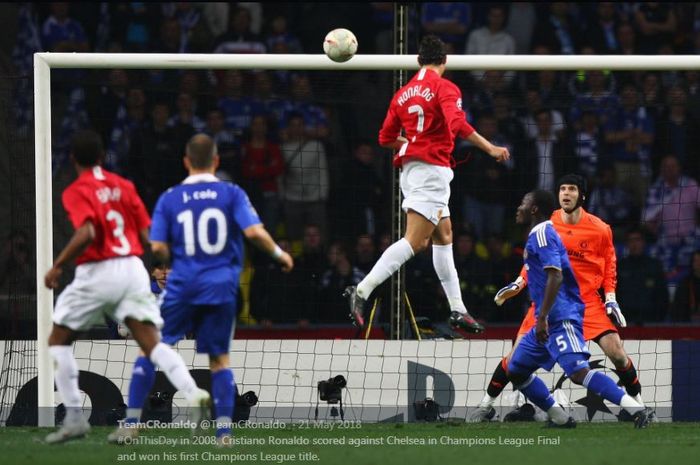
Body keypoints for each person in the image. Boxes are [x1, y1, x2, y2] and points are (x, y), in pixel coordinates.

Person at [111, 134, 293, 446]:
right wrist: (280, 254)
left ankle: (130, 423)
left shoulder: (171, 197)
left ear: (186, 162)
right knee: (219, 360)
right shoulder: (231, 193)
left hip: (182, 285)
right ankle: (223, 432)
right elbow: (253, 231)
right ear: (216, 161)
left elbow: (156, 246)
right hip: (220, 286)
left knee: (149, 350)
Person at [44, 130, 210, 444]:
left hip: (99, 270)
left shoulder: (76, 190)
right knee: (152, 342)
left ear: (72, 159)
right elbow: (148, 233)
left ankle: (76, 418)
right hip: (133, 267)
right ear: (103, 157)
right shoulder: (124, 186)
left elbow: (88, 232)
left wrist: (58, 264)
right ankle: (195, 393)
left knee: (58, 339)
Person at [344, 35, 510, 332]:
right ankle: (362, 291)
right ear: (443, 61)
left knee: (444, 236)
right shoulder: (445, 87)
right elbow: (456, 123)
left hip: (414, 169)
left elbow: (385, 138)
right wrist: (491, 148)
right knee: (416, 242)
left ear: (419, 61)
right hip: (431, 169)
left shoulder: (403, 93)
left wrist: (411, 141)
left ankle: (458, 309)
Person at [471, 174, 648, 422]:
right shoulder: (548, 223)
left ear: (582, 196)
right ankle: (490, 405)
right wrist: (520, 282)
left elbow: (610, 265)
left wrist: (610, 298)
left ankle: (637, 405)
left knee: (617, 352)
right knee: (515, 358)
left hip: (587, 302)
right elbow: (536, 261)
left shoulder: (600, 229)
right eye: (562, 189)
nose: (566, 193)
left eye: (572, 189)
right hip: (549, 301)